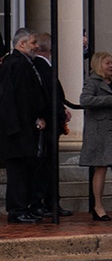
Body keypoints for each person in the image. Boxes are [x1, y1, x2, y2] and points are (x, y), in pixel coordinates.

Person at [0, 28, 48, 223]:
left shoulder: (24, 64)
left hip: (24, 128)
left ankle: (24, 206)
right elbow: (17, 99)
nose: (36, 46)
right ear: (21, 44)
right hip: (18, 130)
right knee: (18, 172)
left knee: (25, 170)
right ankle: (17, 209)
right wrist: (31, 120)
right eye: (33, 42)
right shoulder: (17, 65)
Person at [78, 51, 112, 221]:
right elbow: (85, 100)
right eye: (107, 63)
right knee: (101, 168)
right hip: (100, 132)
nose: (111, 66)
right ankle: (98, 206)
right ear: (99, 64)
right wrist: (108, 100)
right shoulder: (93, 82)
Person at [30, 32, 73, 218]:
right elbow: (43, 95)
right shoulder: (39, 66)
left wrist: (61, 109)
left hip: (53, 120)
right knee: (44, 164)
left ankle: (51, 200)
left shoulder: (44, 66)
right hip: (47, 123)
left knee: (50, 164)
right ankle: (41, 201)